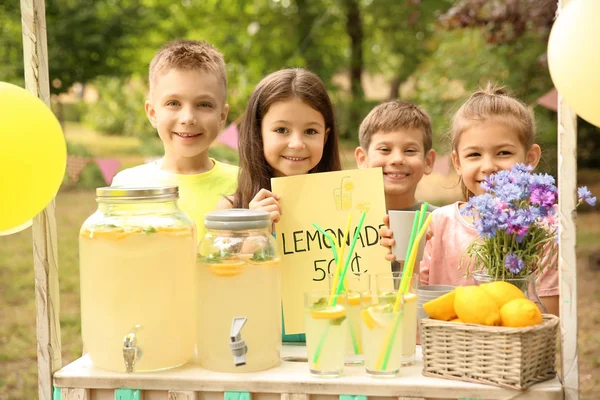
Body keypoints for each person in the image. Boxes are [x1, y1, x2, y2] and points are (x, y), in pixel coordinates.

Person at [381, 83, 559, 315]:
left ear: (530, 157)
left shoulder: (543, 228)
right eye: (474, 154)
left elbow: (547, 318)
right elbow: (414, 309)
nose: (488, 167)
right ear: (457, 162)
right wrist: (408, 256)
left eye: (503, 152)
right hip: (443, 348)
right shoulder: (439, 223)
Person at [216, 68, 342, 341]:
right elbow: (220, 292)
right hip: (260, 350)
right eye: (281, 130)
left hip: (329, 347)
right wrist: (253, 231)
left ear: (326, 135)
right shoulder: (231, 209)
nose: (296, 144)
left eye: (310, 131)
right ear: (258, 133)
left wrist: (382, 244)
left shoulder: (346, 208)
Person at [111, 39, 238, 239]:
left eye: (204, 104)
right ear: (152, 113)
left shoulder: (243, 184)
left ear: (222, 116)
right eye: (173, 103)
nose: (188, 118)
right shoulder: (128, 185)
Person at [355, 100, 437, 272]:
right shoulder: (345, 222)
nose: (397, 159)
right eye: (384, 149)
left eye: (410, 151)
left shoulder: (440, 221)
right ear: (362, 159)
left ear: (428, 161)